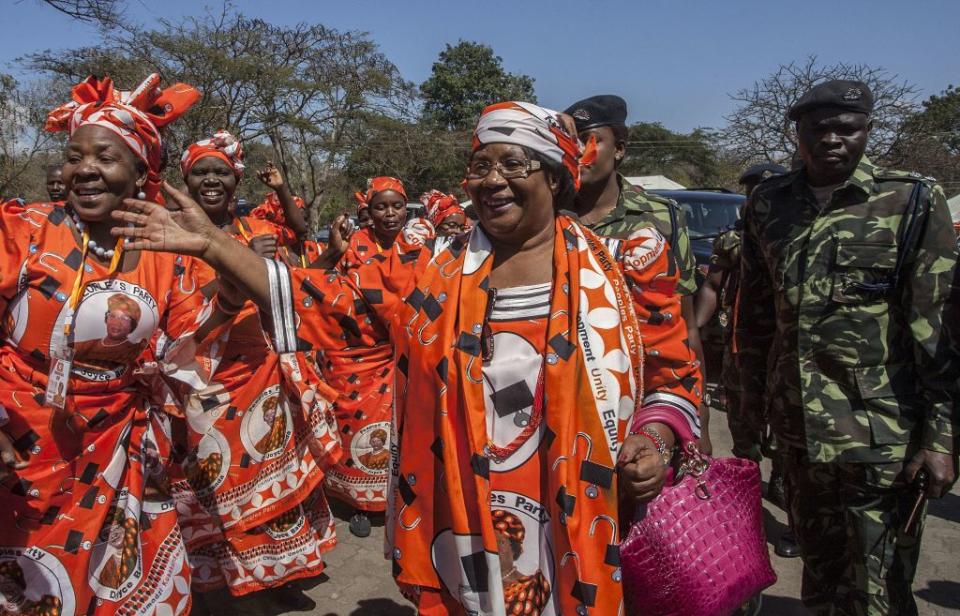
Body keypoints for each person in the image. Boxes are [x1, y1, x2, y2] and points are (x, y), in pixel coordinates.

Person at [111, 100, 702, 616]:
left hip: (582, 514)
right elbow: (334, 304)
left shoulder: (624, 267)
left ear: (554, 177)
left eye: (513, 164)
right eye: (480, 166)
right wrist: (216, 245)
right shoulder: (433, 272)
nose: (491, 180)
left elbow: (674, 375)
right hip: (461, 516)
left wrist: (658, 436)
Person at [0, 73, 237, 615]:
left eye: (105, 158)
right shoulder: (25, 232)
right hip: (22, 445)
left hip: (119, 443)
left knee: (120, 584)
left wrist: (225, 286)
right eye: (73, 157)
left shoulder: (163, 250)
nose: (84, 170)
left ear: (139, 172)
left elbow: (188, 341)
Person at [737, 79, 960, 615]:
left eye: (848, 128)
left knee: (878, 588)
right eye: (819, 129)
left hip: (882, 436)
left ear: (867, 131)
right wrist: (752, 413)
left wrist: (942, 438)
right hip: (798, 434)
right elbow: (757, 320)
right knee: (819, 572)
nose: (833, 139)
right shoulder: (769, 204)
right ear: (798, 134)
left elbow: (937, 330)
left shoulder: (910, 200)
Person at [173, 130, 342, 608]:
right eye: (201, 172)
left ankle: (275, 573)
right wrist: (238, 268)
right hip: (203, 382)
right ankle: (222, 582)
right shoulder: (172, 232)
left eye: (221, 172)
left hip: (263, 375)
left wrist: (270, 268)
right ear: (185, 180)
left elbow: (288, 300)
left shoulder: (254, 230)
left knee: (273, 480)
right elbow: (176, 312)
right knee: (216, 484)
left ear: (235, 179)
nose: (211, 180)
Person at [564, 94, 710, 453]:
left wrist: (696, 416)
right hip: (564, 392)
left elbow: (685, 323)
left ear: (620, 150)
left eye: (591, 140)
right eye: (570, 142)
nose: (580, 152)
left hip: (644, 396)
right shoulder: (545, 216)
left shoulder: (662, 216)